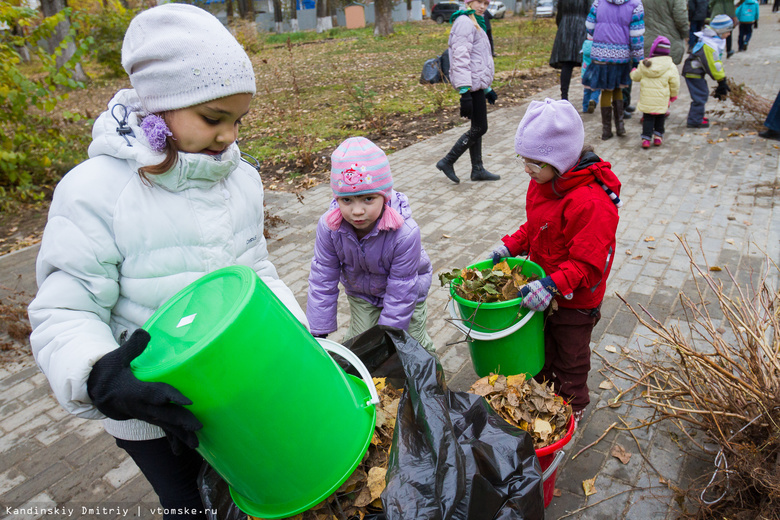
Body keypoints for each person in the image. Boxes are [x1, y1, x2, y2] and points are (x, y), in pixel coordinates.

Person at [27, 5, 309, 519]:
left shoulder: (239, 178)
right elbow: (65, 309)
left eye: (237, 120)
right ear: (159, 107)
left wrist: (297, 337)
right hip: (149, 413)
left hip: (235, 394)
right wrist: (100, 377)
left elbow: (256, 273)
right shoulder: (97, 192)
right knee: (189, 506)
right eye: (212, 118)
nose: (228, 137)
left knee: (259, 487)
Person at [490, 99, 621, 424]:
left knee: (570, 356)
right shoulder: (545, 184)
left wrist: (551, 285)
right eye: (524, 159)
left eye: (534, 162)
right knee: (544, 345)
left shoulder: (590, 203)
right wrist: (511, 246)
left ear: (560, 160)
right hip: (545, 288)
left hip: (576, 299)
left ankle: (572, 407)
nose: (526, 169)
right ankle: (546, 395)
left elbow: (587, 264)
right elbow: (537, 228)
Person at [307, 137, 435, 352]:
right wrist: (318, 329)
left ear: (384, 197)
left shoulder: (405, 233)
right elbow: (322, 276)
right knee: (359, 346)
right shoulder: (330, 228)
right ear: (337, 199)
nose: (357, 211)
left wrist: (388, 338)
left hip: (405, 294)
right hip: (363, 295)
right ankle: (367, 383)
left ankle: (431, 381)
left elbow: (401, 289)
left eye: (368, 199)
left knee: (412, 347)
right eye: (347, 200)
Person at [436, 0, 500, 183]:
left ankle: (477, 169)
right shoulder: (465, 22)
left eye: (486, 3)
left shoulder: (476, 21)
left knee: (477, 128)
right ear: (469, 2)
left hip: (476, 84)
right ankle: (448, 161)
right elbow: (460, 57)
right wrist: (464, 93)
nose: (482, 6)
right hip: (470, 86)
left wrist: (487, 88)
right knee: (481, 127)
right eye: (479, 1)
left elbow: (478, 60)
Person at [583, 0, 645, 140]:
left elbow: (589, 26)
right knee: (618, 88)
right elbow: (636, 36)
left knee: (606, 90)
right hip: (621, 54)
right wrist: (637, 58)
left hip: (600, 52)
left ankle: (606, 131)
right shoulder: (635, 4)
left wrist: (600, 34)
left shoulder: (598, 2)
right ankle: (620, 126)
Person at [682, 14, 733, 128]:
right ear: (720, 31)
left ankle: (697, 116)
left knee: (701, 93)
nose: (729, 34)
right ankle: (695, 120)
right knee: (701, 95)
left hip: (695, 71)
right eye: (728, 31)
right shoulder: (710, 45)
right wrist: (721, 81)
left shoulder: (712, 40)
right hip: (693, 72)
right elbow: (714, 65)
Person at [630, 36, 680, 148]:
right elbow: (675, 83)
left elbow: (636, 77)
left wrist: (633, 71)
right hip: (662, 98)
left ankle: (646, 139)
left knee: (648, 118)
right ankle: (658, 137)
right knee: (660, 117)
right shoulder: (670, 66)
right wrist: (673, 95)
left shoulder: (645, 64)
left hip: (647, 98)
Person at [549, 0, 591, 101]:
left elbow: (559, 15)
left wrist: (563, 26)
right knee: (588, 63)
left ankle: (564, 96)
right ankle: (589, 97)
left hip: (565, 27)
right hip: (582, 27)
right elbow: (591, 12)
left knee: (567, 65)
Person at [641, 0, 689, 64]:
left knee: (646, 70)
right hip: (669, 42)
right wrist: (685, 34)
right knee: (666, 70)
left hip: (645, 40)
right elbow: (681, 19)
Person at [581, 35, 601, 113]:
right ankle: (593, 100)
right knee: (596, 88)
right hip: (596, 71)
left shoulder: (585, 44)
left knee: (586, 90)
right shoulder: (598, 45)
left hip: (585, 71)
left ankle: (585, 107)